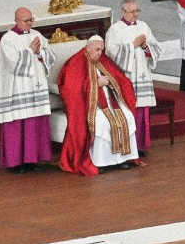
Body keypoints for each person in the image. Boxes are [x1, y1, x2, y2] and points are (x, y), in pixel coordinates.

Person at [58, 36, 139, 176]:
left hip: (110, 101)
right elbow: (71, 90)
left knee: (127, 116)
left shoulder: (103, 60)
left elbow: (120, 78)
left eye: (102, 50)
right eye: (97, 49)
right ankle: (100, 162)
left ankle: (122, 159)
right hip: (89, 105)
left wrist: (112, 82)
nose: (100, 53)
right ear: (88, 47)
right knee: (102, 122)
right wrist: (96, 83)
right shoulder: (75, 62)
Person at [0, 7, 54, 174]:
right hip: (17, 87)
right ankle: (16, 162)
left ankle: (32, 160)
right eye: (26, 20)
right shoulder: (7, 39)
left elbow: (50, 54)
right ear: (16, 20)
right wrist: (30, 51)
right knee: (18, 123)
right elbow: (12, 63)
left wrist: (40, 53)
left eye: (31, 20)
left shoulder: (37, 35)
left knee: (34, 123)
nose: (29, 23)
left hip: (35, 86)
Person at [105, 0, 161, 155]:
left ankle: (140, 146)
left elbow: (155, 48)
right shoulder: (115, 30)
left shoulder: (144, 26)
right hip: (127, 76)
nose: (136, 14)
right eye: (132, 11)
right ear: (123, 11)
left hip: (143, 73)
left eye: (137, 11)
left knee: (142, 111)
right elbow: (111, 52)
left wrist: (145, 46)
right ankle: (128, 145)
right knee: (129, 111)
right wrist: (132, 46)